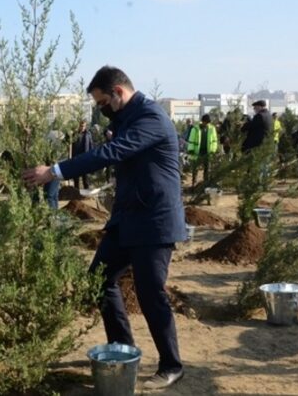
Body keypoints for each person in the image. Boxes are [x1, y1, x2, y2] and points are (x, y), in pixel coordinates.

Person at [22, 66, 185, 389]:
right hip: (127, 220)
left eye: (102, 104)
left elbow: (109, 153)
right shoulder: (127, 119)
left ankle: (171, 365)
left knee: (151, 294)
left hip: (154, 222)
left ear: (118, 93)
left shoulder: (151, 118)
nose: (101, 111)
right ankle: (122, 348)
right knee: (100, 280)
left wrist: (55, 171)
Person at [186, 114, 219, 186]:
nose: (206, 124)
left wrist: (213, 150)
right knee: (195, 168)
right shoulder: (195, 129)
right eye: (205, 122)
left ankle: (206, 183)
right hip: (197, 152)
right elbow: (191, 140)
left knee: (207, 168)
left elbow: (214, 140)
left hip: (207, 152)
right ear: (202, 121)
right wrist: (191, 149)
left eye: (208, 122)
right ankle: (194, 183)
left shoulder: (212, 129)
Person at [71, 120, 94, 189]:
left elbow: (91, 145)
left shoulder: (88, 134)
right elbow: (69, 142)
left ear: (85, 126)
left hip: (85, 157)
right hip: (76, 157)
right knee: (76, 177)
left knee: (85, 177)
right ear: (79, 126)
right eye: (81, 126)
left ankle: (86, 192)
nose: (82, 127)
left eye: (84, 126)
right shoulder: (75, 134)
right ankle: (76, 192)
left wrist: (91, 156)